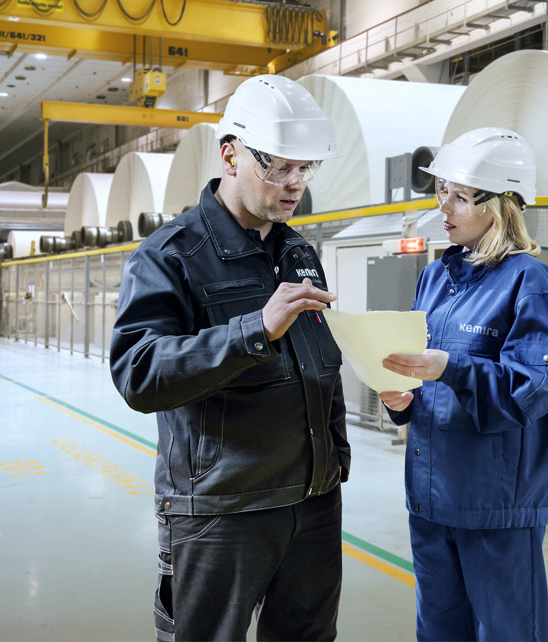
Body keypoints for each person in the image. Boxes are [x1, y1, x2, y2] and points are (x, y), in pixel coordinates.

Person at [109, 74, 348, 642]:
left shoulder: (294, 249)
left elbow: (317, 361)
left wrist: (335, 457)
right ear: (230, 154)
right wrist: (254, 330)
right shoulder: (171, 256)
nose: (295, 184)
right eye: (278, 166)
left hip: (312, 501)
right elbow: (138, 372)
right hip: (221, 509)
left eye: (306, 168)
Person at [378, 127, 548, 642]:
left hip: (495, 509)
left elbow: (534, 390)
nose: (445, 207)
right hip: (429, 498)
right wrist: (402, 401)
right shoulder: (436, 277)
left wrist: (453, 369)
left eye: (461, 197)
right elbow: (428, 379)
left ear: (502, 205)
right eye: (442, 191)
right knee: (438, 632)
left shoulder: (529, 282)